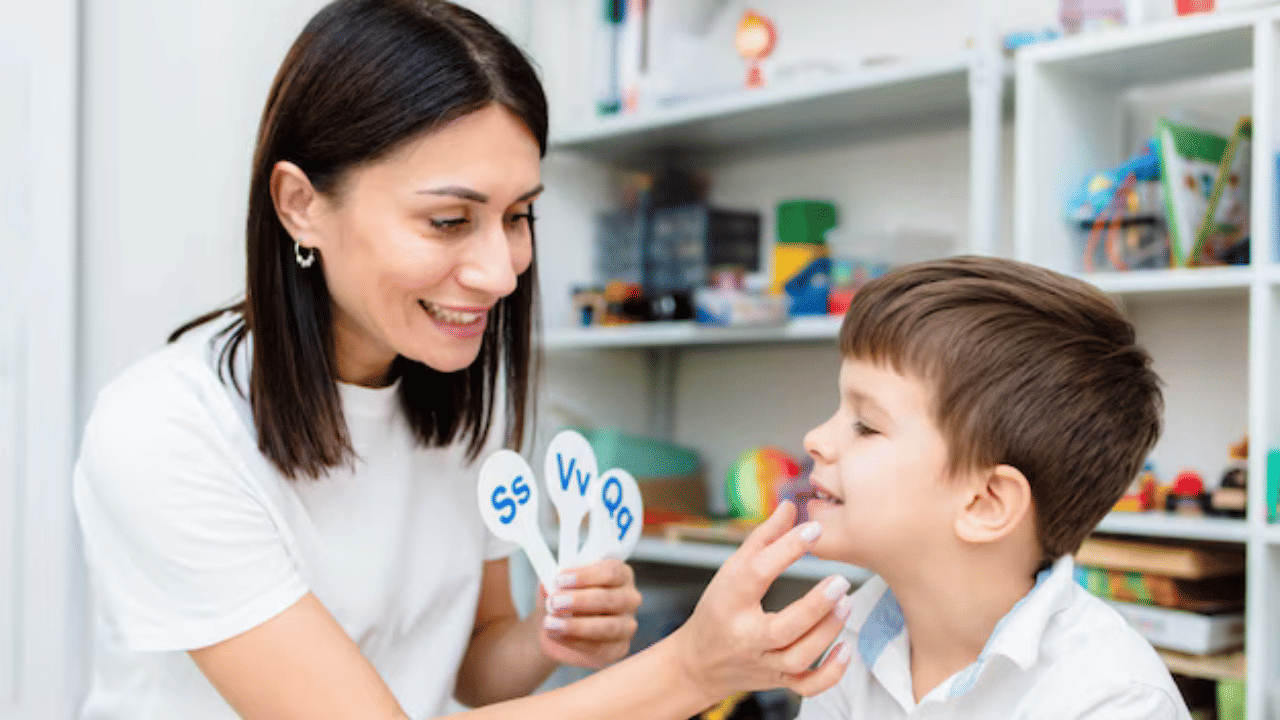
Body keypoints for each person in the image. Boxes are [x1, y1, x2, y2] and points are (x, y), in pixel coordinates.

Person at [71, 1, 853, 718]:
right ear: (300, 205)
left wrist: (551, 633)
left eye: (519, 216)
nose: (502, 270)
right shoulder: (165, 432)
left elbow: (468, 670)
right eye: (449, 220)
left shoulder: (447, 384)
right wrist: (691, 668)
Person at [795, 255, 1193, 719]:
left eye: (865, 425)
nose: (815, 440)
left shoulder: (1116, 698)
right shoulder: (847, 637)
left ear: (986, 502)